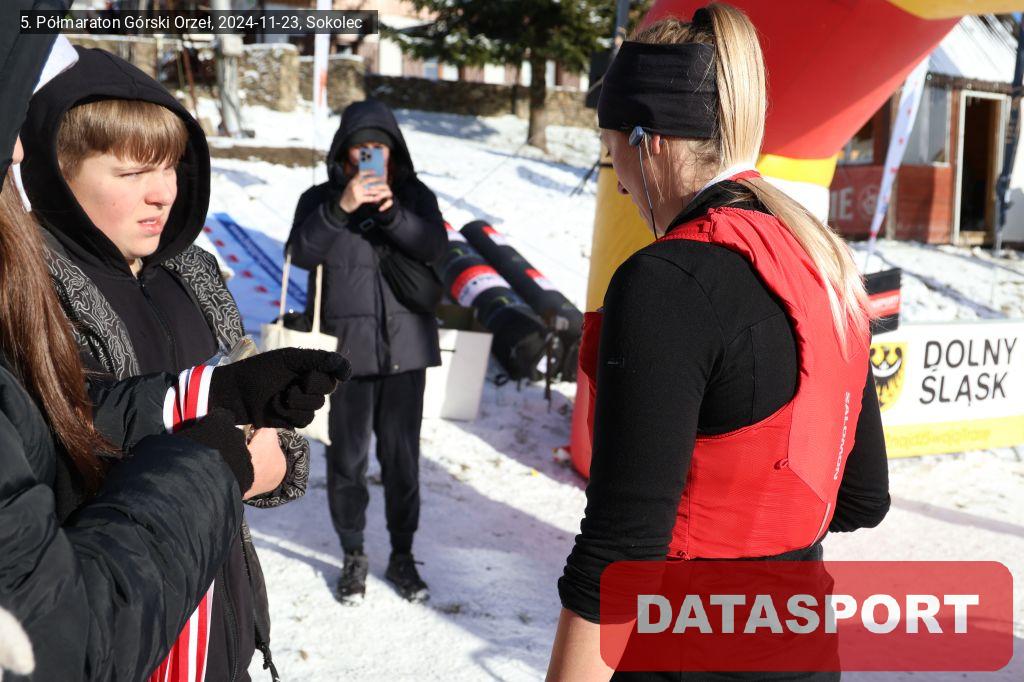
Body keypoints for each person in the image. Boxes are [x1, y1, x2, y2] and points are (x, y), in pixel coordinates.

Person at [547, 5, 890, 680]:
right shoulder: (823, 261)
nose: (617, 178)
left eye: (612, 149)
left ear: (649, 142)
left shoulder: (668, 280)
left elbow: (621, 551)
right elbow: (861, 497)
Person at [0, 21, 347, 682]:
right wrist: (223, 461)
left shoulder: (196, 273)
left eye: (169, 166)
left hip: (219, 622)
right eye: (133, 171)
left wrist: (275, 450)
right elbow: (57, 450)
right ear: (55, 172)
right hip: (120, 629)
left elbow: (250, 404)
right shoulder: (27, 296)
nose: (162, 191)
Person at [287, 99, 448, 604]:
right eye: (361, 147)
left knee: (402, 460)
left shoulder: (415, 197)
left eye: (379, 147)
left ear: (394, 152)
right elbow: (300, 252)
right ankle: (353, 553)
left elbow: (434, 247)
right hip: (345, 356)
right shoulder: (320, 199)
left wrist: (392, 213)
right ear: (345, 152)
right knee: (348, 459)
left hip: (407, 352)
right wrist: (342, 207)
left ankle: (402, 555)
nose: (369, 156)